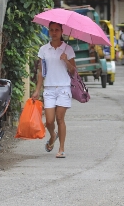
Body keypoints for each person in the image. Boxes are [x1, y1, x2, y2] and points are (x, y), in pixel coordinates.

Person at [31, 21, 76, 158]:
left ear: (62, 31)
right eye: (51, 30)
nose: (54, 32)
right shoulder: (43, 50)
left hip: (63, 88)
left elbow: (73, 71)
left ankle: (61, 149)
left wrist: (66, 60)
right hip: (49, 89)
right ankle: (53, 136)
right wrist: (37, 90)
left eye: (57, 30)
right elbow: (41, 72)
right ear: (49, 31)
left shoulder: (68, 49)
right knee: (49, 121)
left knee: (59, 118)